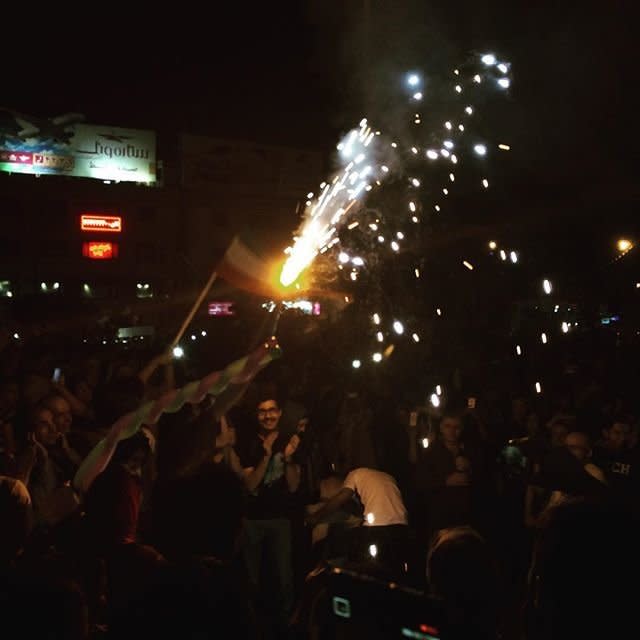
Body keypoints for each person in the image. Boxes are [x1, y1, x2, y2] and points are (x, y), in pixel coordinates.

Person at [238, 395, 302, 632]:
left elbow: (294, 486)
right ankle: (250, 626)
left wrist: (289, 458)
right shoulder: (248, 443)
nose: (268, 416)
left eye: (272, 410)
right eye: (262, 411)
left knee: (284, 577)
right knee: (251, 578)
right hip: (253, 519)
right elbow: (251, 485)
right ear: (256, 415)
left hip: (280, 518)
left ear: (280, 412)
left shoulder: (289, 441)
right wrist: (265, 455)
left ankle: (287, 627)